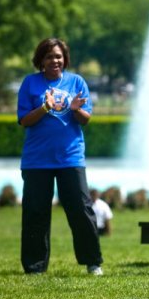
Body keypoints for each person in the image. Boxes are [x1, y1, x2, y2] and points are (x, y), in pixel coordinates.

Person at [17, 38, 103, 275]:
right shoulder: (30, 83)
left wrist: (75, 110)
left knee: (81, 209)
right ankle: (35, 266)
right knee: (36, 212)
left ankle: (92, 262)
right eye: (49, 57)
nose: (54, 60)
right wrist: (44, 108)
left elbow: (86, 119)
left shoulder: (77, 82)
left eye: (58, 56)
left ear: (64, 59)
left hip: (70, 158)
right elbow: (24, 120)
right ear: (40, 61)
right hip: (37, 160)